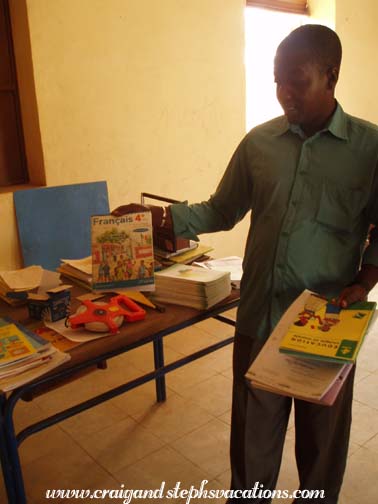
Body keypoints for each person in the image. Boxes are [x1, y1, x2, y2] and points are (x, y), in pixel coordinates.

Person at [113, 25, 378, 503]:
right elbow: (221, 208)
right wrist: (161, 219)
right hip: (259, 320)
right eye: (277, 79)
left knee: (321, 455)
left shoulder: (371, 151)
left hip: (325, 326)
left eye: (296, 79)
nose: (284, 92)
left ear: (331, 76)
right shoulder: (260, 144)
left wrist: (365, 279)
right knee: (251, 452)